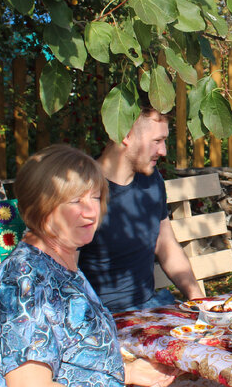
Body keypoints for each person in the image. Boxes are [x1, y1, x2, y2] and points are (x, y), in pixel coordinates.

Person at [0, 144, 231, 387]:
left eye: (95, 197)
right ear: (39, 207)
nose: (89, 211)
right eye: (73, 201)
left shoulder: (59, 263)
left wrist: (129, 371)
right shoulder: (26, 283)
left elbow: (64, 355)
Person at [79, 105, 206, 312]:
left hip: (151, 308)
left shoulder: (152, 179)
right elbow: (65, 271)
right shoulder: (82, 190)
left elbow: (165, 244)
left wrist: (199, 300)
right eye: (157, 141)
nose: (163, 151)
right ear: (125, 135)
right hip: (103, 317)